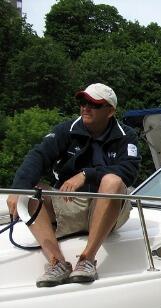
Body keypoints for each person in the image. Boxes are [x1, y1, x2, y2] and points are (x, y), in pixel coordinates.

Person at [6, 83, 141, 287]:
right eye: (82, 102)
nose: (85, 108)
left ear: (110, 111)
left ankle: (87, 259)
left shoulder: (126, 136)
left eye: (94, 104)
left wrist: (86, 175)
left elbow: (129, 171)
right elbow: (39, 156)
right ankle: (57, 262)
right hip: (68, 204)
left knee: (112, 181)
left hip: (107, 207)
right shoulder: (66, 130)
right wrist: (18, 190)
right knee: (32, 194)